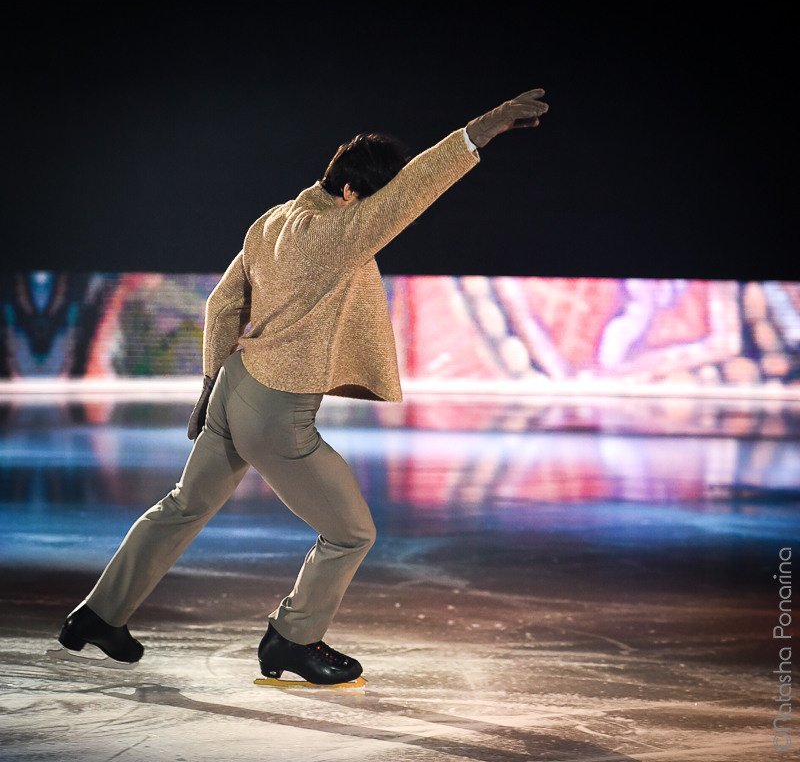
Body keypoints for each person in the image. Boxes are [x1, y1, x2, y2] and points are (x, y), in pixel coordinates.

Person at [58, 89, 549, 685]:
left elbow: (221, 304)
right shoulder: (337, 232)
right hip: (275, 410)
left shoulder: (272, 221)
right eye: (375, 203)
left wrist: (210, 384)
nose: (380, 217)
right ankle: (293, 638)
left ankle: (97, 614)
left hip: (235, 385)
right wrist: (481, 130)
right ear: (350, 193)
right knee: (351, 532)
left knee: (183, 506)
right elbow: (417, 187)